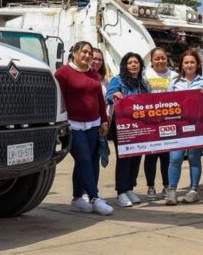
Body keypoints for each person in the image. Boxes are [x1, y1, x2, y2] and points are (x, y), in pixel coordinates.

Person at [54, 41, 114, 216]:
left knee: (91, 160)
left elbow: (99, 100)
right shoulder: (63, 73)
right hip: (73, 125)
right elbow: (58, 99)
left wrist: (104, 120)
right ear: (74, 53)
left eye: (89, 53)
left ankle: (77, 199)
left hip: (94, 124)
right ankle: (95, 198)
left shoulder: (94, 73)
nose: (87, 56)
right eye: (84, 52)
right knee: (84, 159)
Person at [165, 50, 203, 205]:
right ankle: (172, 191)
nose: (189, 65)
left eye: (192, 62)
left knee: (194, 159)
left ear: (197, 64)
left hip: (196, 127)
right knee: (175, 158)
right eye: (186, 62)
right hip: (178, 127)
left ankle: (193, 190)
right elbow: (167, 105)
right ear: (182, 65)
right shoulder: (173, 83)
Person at [106, 52, 151, 208]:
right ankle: (121, 192)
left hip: (140, 127)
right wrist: (115, 94)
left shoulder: (143, 83)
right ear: (125, 65)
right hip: (123, 126)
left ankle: (130, 188)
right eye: (130, 62)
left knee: (136, 157)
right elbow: (109, 95)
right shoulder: (117, 80)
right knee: (124, 158)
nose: (133, 65)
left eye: (136, 62)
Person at [143, 47, 176, 200]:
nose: (160, 61)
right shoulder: (145, 75)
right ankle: (150, 187)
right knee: (151, 156)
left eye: (163, 58)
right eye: (157, 58)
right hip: (149, 123)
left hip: (168, 122)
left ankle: (166, 186)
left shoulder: (174, 76)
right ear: (151, 61)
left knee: (166, 157)